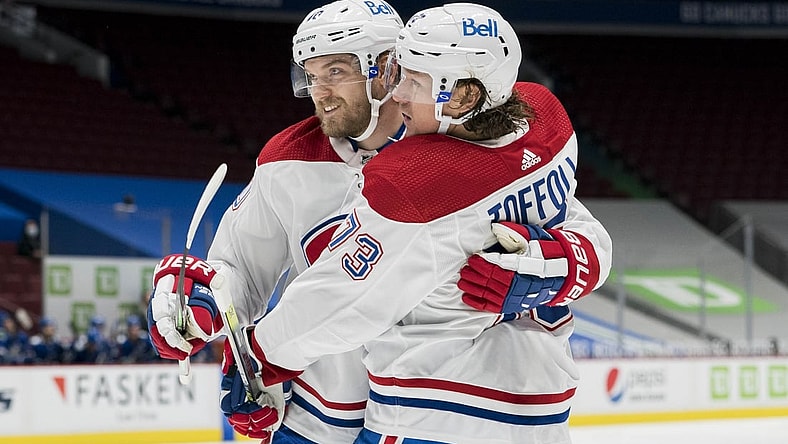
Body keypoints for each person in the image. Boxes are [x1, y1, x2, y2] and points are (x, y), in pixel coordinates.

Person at [147, 1, 611, 443]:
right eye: (310, 75)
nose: (320, 92)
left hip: (433, 410)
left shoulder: (464, 148)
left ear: (388, 67)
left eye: (336, 71)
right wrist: (198, 299)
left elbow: (572, 226)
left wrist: (563, 264)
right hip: (321, 416)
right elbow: (239, 270)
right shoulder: (286, 163)